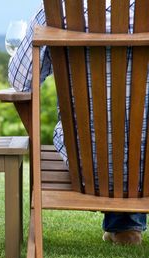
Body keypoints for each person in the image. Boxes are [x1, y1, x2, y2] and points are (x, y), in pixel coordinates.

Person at [8, 2, 146, 245]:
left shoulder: (55, 9)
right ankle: (125, 225)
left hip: (86, 165)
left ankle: (124, 224)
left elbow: (21, 84)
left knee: (97, 139)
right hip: (146, 166)